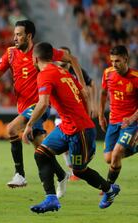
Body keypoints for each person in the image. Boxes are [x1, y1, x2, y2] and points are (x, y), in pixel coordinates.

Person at [0, 20, 86, 192]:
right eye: (14, 34)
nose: (15, 38)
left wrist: (81, 85)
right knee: (41, 147)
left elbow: (72, 59)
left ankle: (20, 175)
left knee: (11, 129)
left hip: (40, 104)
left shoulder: (41, 52)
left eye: (19, 34)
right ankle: (61, 175)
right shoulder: (10, 53)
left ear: (28, 36)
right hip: (22, 106)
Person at [22, 42, 120, 213]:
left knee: (79, 170)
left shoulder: (45, 74)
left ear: (35, 58)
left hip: (80, 130)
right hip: (68, 126)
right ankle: (51, 198)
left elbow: (43, 103)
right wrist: (83, 88)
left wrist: (29, 125)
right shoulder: (62, 72)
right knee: (41, 154)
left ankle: (110, 190)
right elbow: (73, 62)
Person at [56, 46, 97, 182]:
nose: (62, 59)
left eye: (65, 56)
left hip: (78, 114)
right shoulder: (54, 71)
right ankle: (72, 169)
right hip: (61, 116)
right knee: (64, 147)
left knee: (74, 144)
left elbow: (91, 85)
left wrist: (93, 104)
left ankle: (80, 163)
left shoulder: (77, 72)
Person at [98, 45, 138, 186]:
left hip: (131, 123)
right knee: (109, 159)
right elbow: (103, 93)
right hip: (113, 121)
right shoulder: (107, 73)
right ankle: (135, 147)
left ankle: (108, 188)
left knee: (116, 155)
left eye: (118, 61)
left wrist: (132, 119)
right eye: (112, 61)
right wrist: (101, 114)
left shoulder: (135, 77)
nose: (114, 64)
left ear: (126, 59)